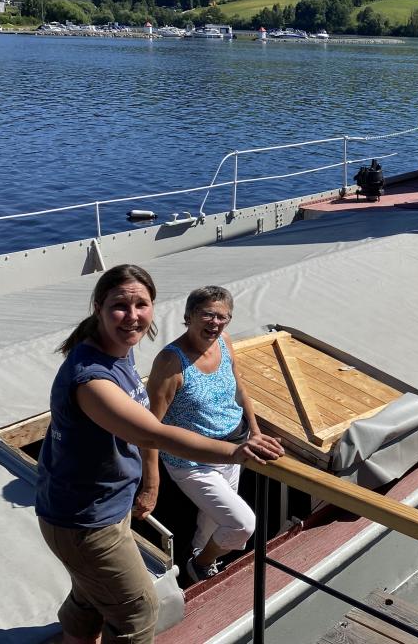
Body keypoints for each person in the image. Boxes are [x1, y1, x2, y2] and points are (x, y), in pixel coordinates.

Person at [36, 265, 283, 644]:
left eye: (142, 304)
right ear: (98, 307)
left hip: (100, 507)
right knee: (139, 610)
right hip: (84, 520)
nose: (132, 315)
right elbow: (155, 432)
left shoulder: (117, 353)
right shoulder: (92, 379)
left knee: (90, 599)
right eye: (121, 305)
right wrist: (236, 451)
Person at [135, 286, 267, 583]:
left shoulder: (224, 342)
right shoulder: (171, 362)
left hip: (233, 450)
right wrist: (151, 486)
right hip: (191, 462)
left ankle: (196, 557)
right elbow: (149, 429)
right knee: (241, 524)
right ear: (189, 316)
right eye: (208, 314)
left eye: (224, 317)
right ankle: (201, 565)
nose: (216, 323)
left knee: (212, 523)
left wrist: (255, 433)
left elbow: (240, 389)